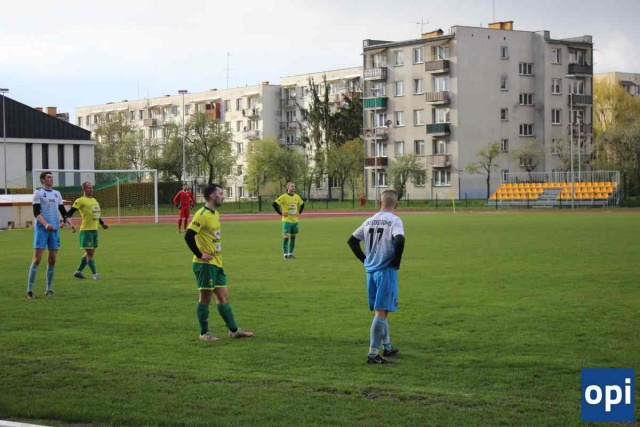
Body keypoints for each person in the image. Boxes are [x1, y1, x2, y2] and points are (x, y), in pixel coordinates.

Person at [184, 184, 253, 342]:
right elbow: (188, 236)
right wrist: (200, 254)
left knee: (223, 297)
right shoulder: (201, 215)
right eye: (221, 193)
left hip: (216, 263)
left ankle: (234, 331)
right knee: (205, 298)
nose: (223, 196)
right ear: (212, 196)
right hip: (205, 264)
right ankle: (204, 333)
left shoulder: (215, 214)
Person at [347, 189, 405, 364]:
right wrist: (396, 262)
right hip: (385, 271)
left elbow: (352, 241)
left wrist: (365, 260)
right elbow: (400, 239)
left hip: (371, 271)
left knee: (380, 309)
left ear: (380, 202)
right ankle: (373, 354)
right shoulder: (394, 220)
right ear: (396, 204)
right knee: (382, 310)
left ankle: (387, 346)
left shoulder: (369, 220)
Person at [26, 171, 74, 299]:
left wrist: (70, 223)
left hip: (54, 231)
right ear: (42, 180)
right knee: (37, 259)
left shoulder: (57, 193)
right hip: (42, 230)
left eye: (52, 177)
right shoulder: (38, 193)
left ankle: (49, 289)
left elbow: (63, 212)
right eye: (48, 177)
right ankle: (29, 290)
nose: (51, 179)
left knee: (52, 259)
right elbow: (36, 213)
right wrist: (46, 224)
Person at [65, 182, 109, 280]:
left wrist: (102, 224)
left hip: (94, 230)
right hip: (86, 230)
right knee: (90, 252)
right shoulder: (80, 200)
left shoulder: (94, 200)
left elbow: (96, 214)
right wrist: (70, 223)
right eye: (89, 188)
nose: (91, 189)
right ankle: (95, 274)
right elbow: (69, 213)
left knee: (91, 253)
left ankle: (78, 271)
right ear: (84, 189)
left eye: (92, 188)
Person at [272, 182, 305, 259]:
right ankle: (285, 254)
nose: (293, 187)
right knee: (286, 236)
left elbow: (302, 204)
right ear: (288, 187)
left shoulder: (297, 196)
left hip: (295, 221)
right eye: (292, 186)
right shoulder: (283, 196)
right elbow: (274, 204)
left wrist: (299, 212)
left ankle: (290, 253)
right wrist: (280, 213)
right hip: (286, 220)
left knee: (293, 237)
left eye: (294, 186)